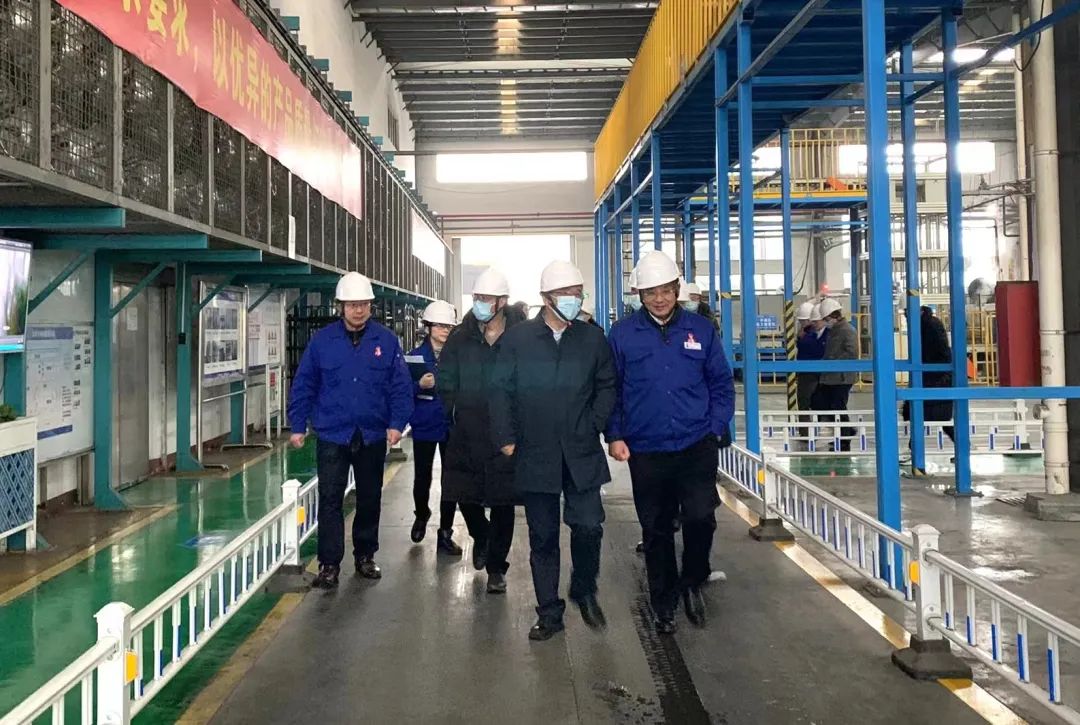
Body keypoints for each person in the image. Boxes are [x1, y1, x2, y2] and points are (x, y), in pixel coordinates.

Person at [607, 250, 735, 634]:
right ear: (639, 295)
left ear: (677, 290)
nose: (659, 299)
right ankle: (663, 601)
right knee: (656, 527)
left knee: (700, 517)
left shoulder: (701, 330)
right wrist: (614, 434)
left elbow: (721, 383)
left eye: (665, 290)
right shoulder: (622, 335)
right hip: (647, 448)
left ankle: (693, 579)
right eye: (650, 292)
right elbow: (611, 389)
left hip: (696, 443)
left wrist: (715, 426)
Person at [489, 260, 616, 641]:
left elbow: (607, 385)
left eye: (577, 294)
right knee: (543, 536)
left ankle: (584, 588)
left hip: (581, 449)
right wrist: (506, 436)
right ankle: (549, 612)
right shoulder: (519, 339)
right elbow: (500, 390)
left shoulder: (593, 339)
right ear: (545, 298)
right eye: (565, 295)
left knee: (589, 525)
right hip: (535, 449)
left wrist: (594, 422)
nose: (573, 300)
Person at [288, 272, 414, 589]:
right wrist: (298, 424)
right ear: (340, 306)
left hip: (372, 434)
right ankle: (329, 564)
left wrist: (397, 424)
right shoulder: (321, 342)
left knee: (370, 497)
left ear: (371, 306)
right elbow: (304, 384)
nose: (358, 310)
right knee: (330, 499)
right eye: (352, 304)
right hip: (333, 433)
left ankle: (365, 556)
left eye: (364, 304)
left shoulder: (386, 341)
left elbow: (400, 387)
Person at [439, 268, 525, 594]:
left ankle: (497, 568)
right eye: (476, 298)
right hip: (467, 432)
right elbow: (446, 378)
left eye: (486, 298)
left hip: (507, 435)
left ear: (502, 302)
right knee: (464, 493)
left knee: (503, 501)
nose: (480, 303)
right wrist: (452, 411)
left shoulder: (520, 337)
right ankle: (481, 535)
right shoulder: (460, 337)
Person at [407, 300, 463, 554]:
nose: (444, 331)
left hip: (451, 424)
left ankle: (445, 532)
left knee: (450, 480)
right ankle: (421, 514)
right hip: (425, 424)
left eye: (448, 326)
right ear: (428, 327)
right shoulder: (414, 357)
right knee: (422, 476)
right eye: (440, 326)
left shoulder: (459, 357)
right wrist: (419, 385)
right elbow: (401, 391)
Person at [902, 306, 955, 444]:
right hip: (933, 376)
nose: (906, 317)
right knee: (933, 416)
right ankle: (913, 447)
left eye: (907, 314)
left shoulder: (928, 325)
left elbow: (936, 351)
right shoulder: (928, 323)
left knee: (923, 413)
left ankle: (963, 445)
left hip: (935, 376)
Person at [814, 297, 857, 451]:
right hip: (830, 376)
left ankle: (844, 439)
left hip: (842, 377)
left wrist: (834, 361)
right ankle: (845, 432)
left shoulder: (847, 330)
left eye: (826, 319)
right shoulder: (834, 331)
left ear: (834, 316)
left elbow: (852, 352)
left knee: (837, 406)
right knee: (822, 403)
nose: (826, 322)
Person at [795, 301, 828, 449]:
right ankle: (807, 433)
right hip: (806, 373)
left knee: (812, 403)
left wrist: (801, 338)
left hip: (814, 374)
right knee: (805, 403)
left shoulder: (815, 335)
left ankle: (810, 432)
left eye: (805, 321)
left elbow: (814, 349)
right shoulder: (809, 334)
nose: (803, 324)